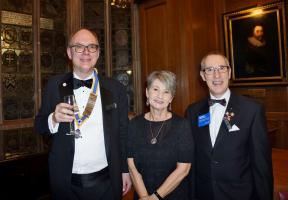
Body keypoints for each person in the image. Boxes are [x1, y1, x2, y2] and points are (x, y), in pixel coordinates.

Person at [35, 28, 131, 200]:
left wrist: (125, 170)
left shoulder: (116, 89)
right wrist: (54, 118)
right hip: (66, 184)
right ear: (69, 53)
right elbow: (40, 125)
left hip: (107, 183)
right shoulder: (54, 85)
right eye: (79, 46)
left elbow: (123, 134)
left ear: (98, 53)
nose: (86, 52)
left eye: (92, 47)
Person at [185, 53, 273, 200]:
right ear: (202, 75)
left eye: (221, 68)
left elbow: (261, 166)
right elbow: (191, 160)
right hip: (203, 194)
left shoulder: (252, 110)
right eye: (210, 69)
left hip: (240, 194)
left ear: (230, 72)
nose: (217, 75)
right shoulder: (192, 112)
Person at [127, 70, 194, 200]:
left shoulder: (182, 125)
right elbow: (132, 166)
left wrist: (155, 197)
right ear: (147, 92)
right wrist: (145, 197)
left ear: (171, 98)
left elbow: (183, 169)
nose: (160, 96)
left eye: (166, 92)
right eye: (156, 89)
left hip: (174, 195)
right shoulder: (134, 125)